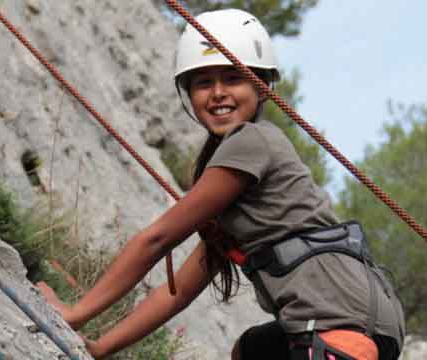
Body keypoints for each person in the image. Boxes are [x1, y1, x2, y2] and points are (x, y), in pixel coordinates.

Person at [36, 9, 405, 360]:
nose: (217, 93)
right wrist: (100, 348)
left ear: (261, 87)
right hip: (360, 322)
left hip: (340, 327)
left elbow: (157, 239)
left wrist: (74, 313)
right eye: (203, 82)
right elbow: (174, 293)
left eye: (232, 78)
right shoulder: (237, 194)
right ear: (188, 93)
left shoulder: (252, 140)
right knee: (252, 351)